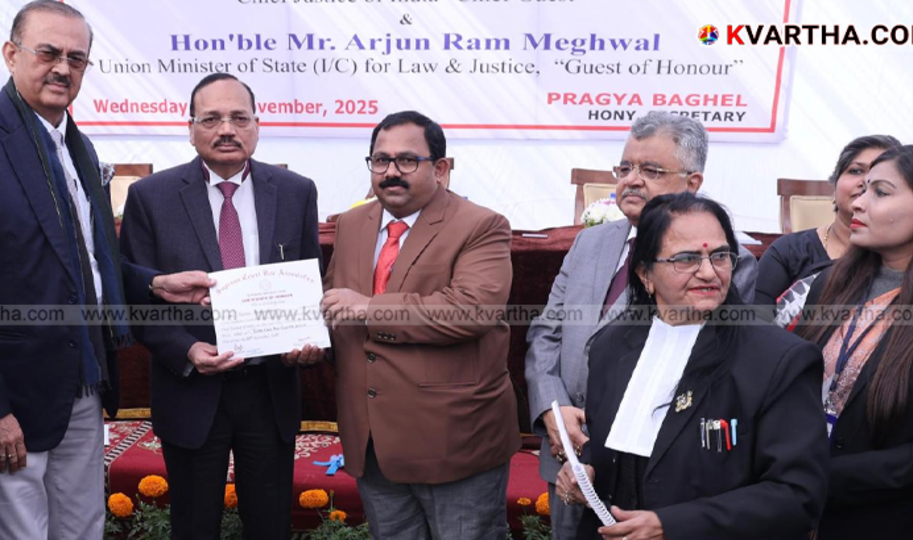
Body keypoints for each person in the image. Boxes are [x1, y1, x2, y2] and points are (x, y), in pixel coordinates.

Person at [0, 3, 213, 539]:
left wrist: (153, 283)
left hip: (83, 378)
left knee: (83, 528)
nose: (62, 68)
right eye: (48, 52)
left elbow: (86, 262)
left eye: (77, 58)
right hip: (17, 398)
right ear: (10, 54)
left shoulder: (76, 145)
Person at [524, 111, 758, 538]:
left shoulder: (721, 264)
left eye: (651, 170)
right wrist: (551, 412)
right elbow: (546, 332)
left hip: (644, 471)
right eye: (625, 167)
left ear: (692, 184)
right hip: (563, 455)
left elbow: (700, 374)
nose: (632, 180)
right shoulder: (590, 241)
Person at [119, 73, 323, 540]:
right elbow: (137, 298)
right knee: (193, 526)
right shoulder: (150, 197)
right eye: (211, 118)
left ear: (257, 125)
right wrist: (186, 351)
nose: (226, 129)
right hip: (191, 389)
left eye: (238, 117)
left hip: (270, 388)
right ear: (190, 128)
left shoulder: (296, 191)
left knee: (271, 525)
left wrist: (307, 342)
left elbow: (310, 285)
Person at [558, 192, 828, 540]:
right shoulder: (611, 346)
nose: (708, 272)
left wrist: (672, 526)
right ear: (645, 274)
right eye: (686, 259)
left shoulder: (778, 359)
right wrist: (582, 473)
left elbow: (799, 495)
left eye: (719, 256)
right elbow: (608, 448)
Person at [322, 110, 519, 540]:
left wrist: (370, 309)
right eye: (380, 160)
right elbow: (331, 302)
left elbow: (471, 310)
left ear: (441, 168)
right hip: (373, 440)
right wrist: (299, 337)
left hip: (454, 441)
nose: (391, 172)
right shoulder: (352, 224)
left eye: (407, 160)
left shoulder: (481, 225)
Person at [796, 145, 913, 539]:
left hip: (898, 519)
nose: (859, 202)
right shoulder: (829, 282)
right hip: (799, 509)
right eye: (862, 187)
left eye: (881, 192)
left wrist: (817, 477)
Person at [756, 135, 901, 326]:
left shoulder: (901, 261)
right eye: (856, 170)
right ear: (834, 185)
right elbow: (754, 324)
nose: (866, 181)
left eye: (879, 177)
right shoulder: (789, 251)